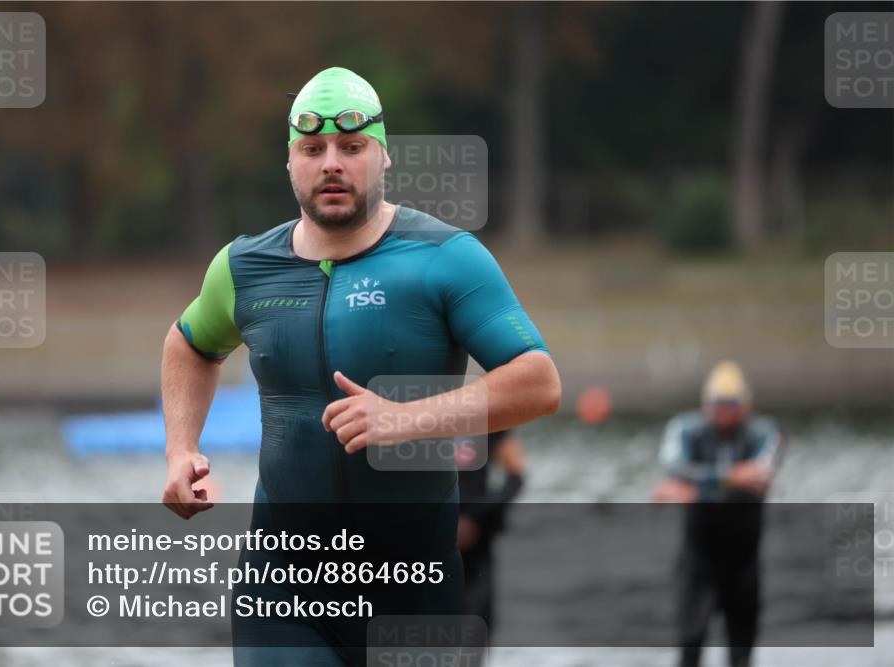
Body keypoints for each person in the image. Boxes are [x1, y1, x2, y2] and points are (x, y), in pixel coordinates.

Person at [160, 66, 561, 666]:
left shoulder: (445, 258)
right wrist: (180, 448)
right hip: (284, 592)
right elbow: (190, 344)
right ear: (290, 161)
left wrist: (406, 419)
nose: (331, 164)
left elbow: (539, 382)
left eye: (351, 148)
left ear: (382, 156)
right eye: (312, 149)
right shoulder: (244, 267)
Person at [653, 360, 785, 667]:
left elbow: (760, 477)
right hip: (699, 557)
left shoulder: (766, 432)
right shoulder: (686, 428)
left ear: (747, 404)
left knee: (741, 653)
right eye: (717, 404)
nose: (724, 411)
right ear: (705, 404)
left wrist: (695, 489)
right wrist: (730, 477)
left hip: (744, 560)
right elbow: (672, 468)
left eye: (732, 403)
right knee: (690, 644)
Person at [456, 429, 526, 663]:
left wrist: (476, 517)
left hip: (476, 548)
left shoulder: (485, 417)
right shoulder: (412, 412)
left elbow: (516, 475)